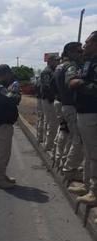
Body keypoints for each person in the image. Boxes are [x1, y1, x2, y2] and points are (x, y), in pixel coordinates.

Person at [69, 31, 97, 204]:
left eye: (87, 43)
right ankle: (88, 185)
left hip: (92, 113)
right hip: (84, 112)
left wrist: (79, 83)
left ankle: (94, 191)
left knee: (94, 154)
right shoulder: (89, 62)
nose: (84, 46)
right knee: (89, 153)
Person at [55, 42, 84, 183]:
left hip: (65, 105)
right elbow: (71, 83)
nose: (81, 53)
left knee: (70, 136)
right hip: (71, 106)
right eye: (79, 51)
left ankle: (66, 163)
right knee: (78, 139)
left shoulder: (60, 66)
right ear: (71, 52)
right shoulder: (71, 66)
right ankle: (69, 170)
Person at [0, 64, 21, 189]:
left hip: (2, 124)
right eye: (9, 74)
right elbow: (14, 99)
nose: (10, 77)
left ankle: (1, 175)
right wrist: (15, 91)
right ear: (5, 74)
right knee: (2, 154)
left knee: (4, 153)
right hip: (1, 125)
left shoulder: (0, 87)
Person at [40, 56, 61, 152]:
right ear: (50, 61)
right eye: (56, 60)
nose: (58, 62)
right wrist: (53, 98)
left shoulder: (51, 71)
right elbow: (46, 87)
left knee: (50, 122)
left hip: (49, 99)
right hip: (48, 100)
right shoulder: (47, 72)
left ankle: (47, 143)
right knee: (52, 123)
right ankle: (48, 145)